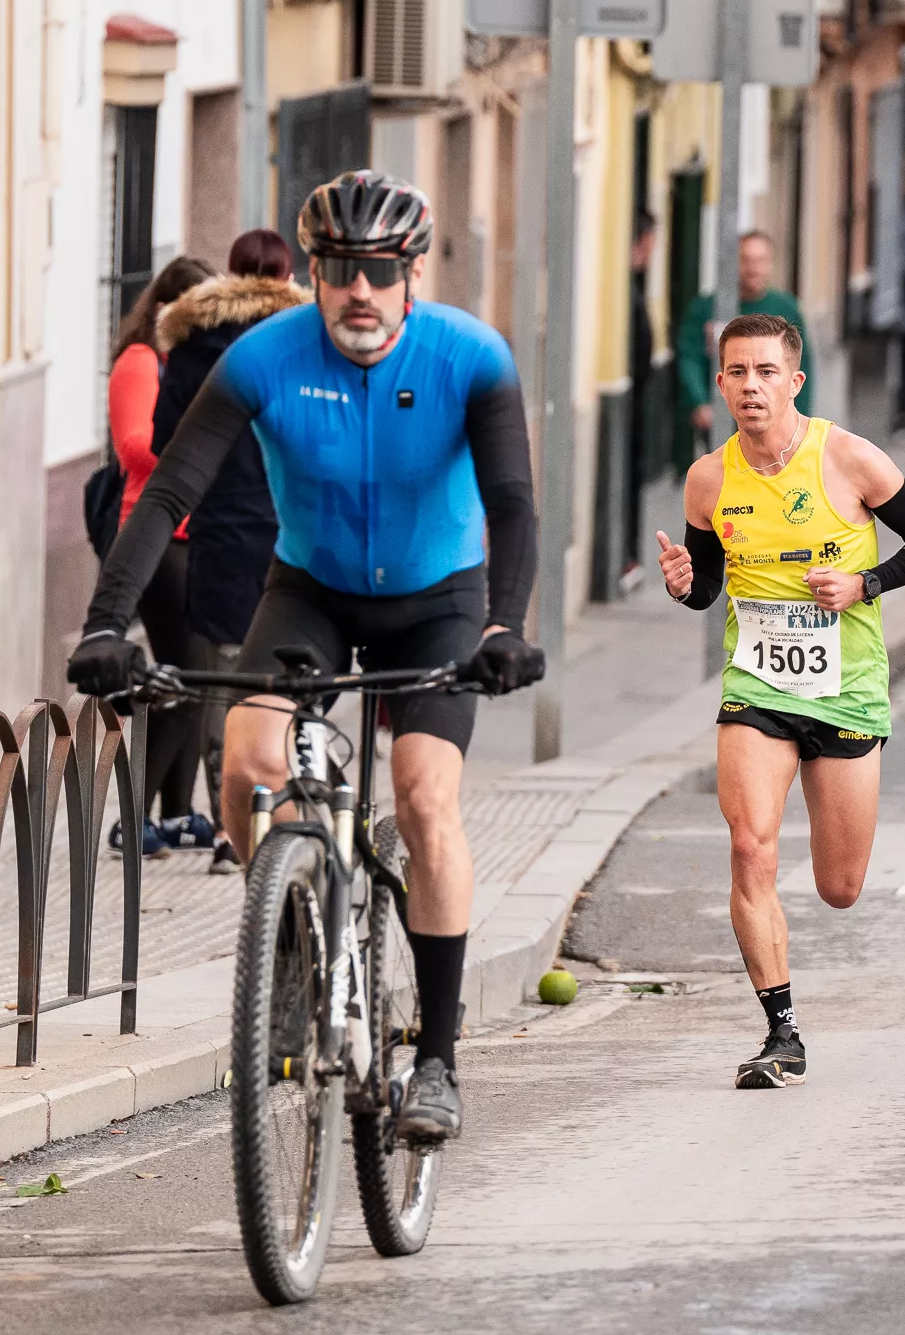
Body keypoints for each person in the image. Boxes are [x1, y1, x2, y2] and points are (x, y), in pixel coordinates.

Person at [70, 170, 547, 1150]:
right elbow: (164, 496)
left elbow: (512, 502)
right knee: (246, 762)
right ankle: (291, 934)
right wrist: (108, 622)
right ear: (316, 274)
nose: (357, 290)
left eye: (378, 270)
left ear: (412, 272)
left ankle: (439, 1059)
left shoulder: (471, 356)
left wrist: (504, 625)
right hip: (312, 589)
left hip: (439, 599)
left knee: (423, 794)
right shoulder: (263, 356)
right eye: (337, 269)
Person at [655, 315, 905, 1088]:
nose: (750, 386)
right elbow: (710, 586)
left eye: (764, 372)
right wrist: (688, 588)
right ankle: (780, 1028)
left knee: (839, 887)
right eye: (736, 373)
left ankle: (790, 996)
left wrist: (864, 584)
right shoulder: (709, 479)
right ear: (720, 385)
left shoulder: (849, 458)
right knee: (750, 845)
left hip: (846, 686)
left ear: (795, 380)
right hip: (757, 684)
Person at [150, 228, 307, 875]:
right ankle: (285, 804)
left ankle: (225, 826)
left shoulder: (192, 348)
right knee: (291, 675)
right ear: (290, 273)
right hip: (289, 530)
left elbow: (165, 441)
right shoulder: (304, 345)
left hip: (217, 531)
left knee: (221, 678)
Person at [106, 254, 217, 857]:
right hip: (157, 539)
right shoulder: (140, 361)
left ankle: (177, 811)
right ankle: (132, 818)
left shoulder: (183, 365)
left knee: (198, 678)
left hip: (196, 537)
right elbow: (133, 446)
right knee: (183, 678)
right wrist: (202, 444)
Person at [688, 230, 814, 438]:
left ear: (770, 264)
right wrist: (699, 400)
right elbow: (690, 355)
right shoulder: (706, 308)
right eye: (745, 260)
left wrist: (800, 419)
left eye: (760, 260)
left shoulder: (786, 308)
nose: (753, 268)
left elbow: (802, 365)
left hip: (772, 421)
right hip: (720, 418)